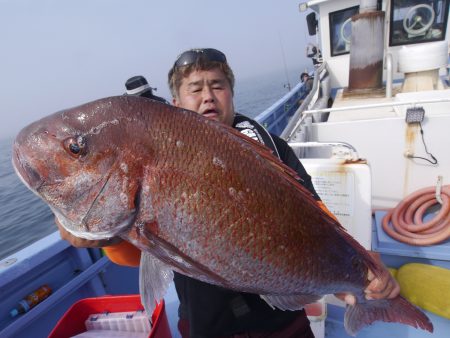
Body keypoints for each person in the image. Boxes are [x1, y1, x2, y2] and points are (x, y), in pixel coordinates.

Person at [57, 48, 400, 338]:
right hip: (207, 327)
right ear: (174, 103)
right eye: (195, 89)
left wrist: (359, 274)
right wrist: (102, 235)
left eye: (217, 86)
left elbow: (318, 220)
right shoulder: (154, 161)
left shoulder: (271, 149)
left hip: (282, 325)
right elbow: (138, 251)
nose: (208, 96)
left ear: (231, 95)